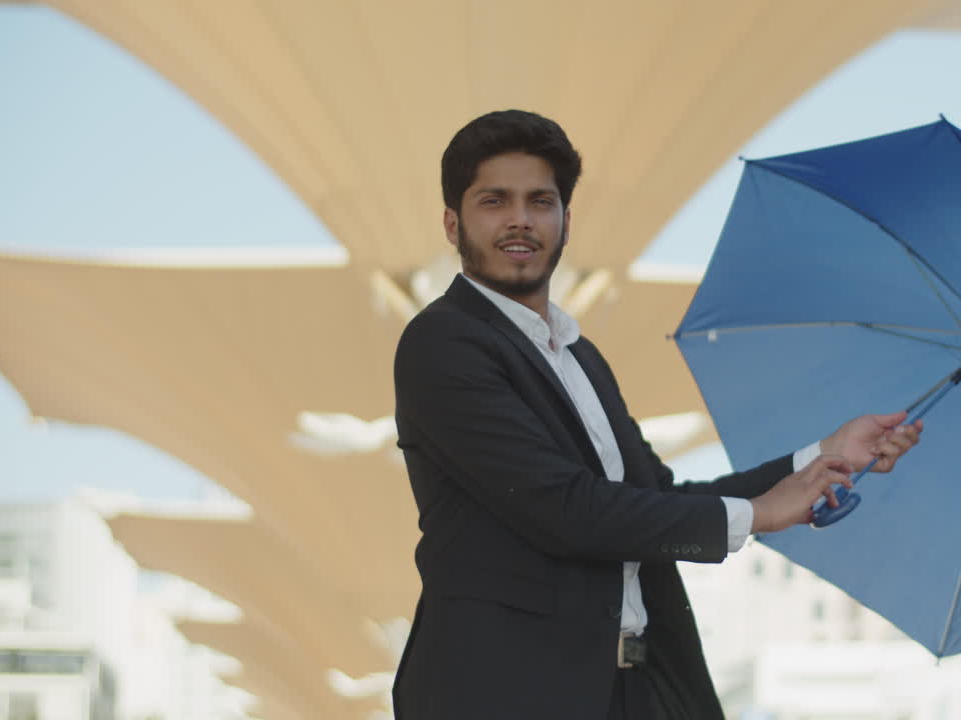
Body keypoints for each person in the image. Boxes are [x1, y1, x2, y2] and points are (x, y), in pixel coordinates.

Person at [391, 110, 922, 719]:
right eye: (495, 201)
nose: (520, 219)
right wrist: (760, 514)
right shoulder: (443, 343)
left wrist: (820, 455)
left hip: (628, 687)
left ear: (566, 223)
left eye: (541, 201)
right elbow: (564, 510)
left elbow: (655, 497)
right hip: (505, 692)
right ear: (453, 224)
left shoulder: (579, 357)